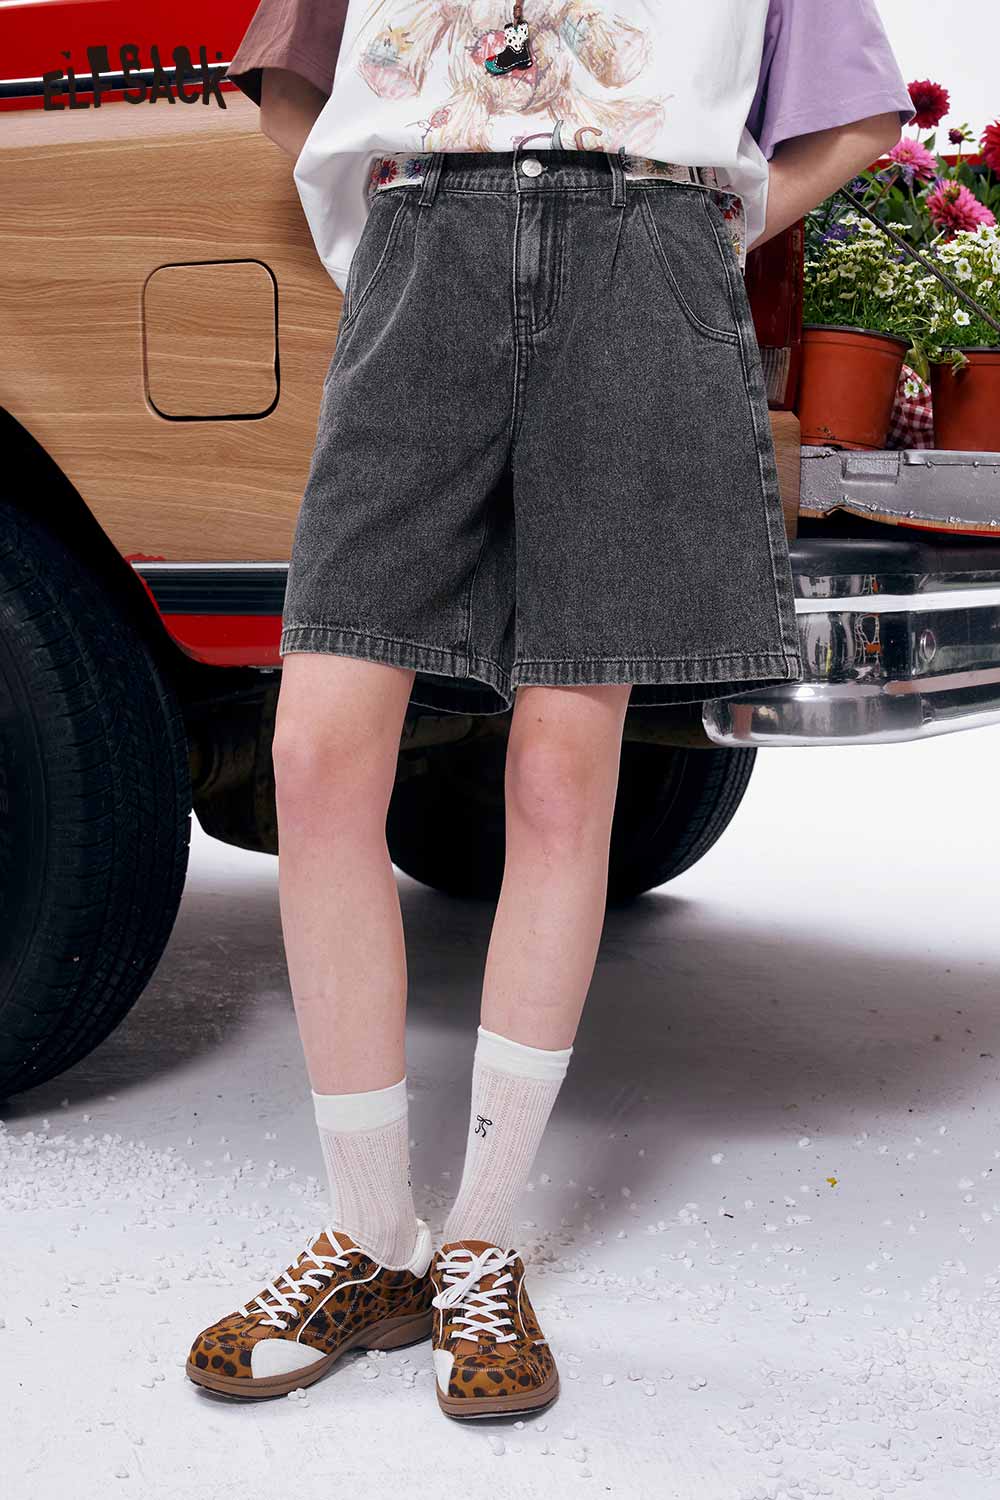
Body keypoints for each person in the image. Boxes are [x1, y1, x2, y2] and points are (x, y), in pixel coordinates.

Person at [187, 0, 914, 1419]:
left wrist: (699, 232)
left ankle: (478, 1245)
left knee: (562, 775)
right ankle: (368, 1238)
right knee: (317, 751)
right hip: (425, 249)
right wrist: (398, 234)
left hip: (643, 259)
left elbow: (858, 114)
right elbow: (290, 80)